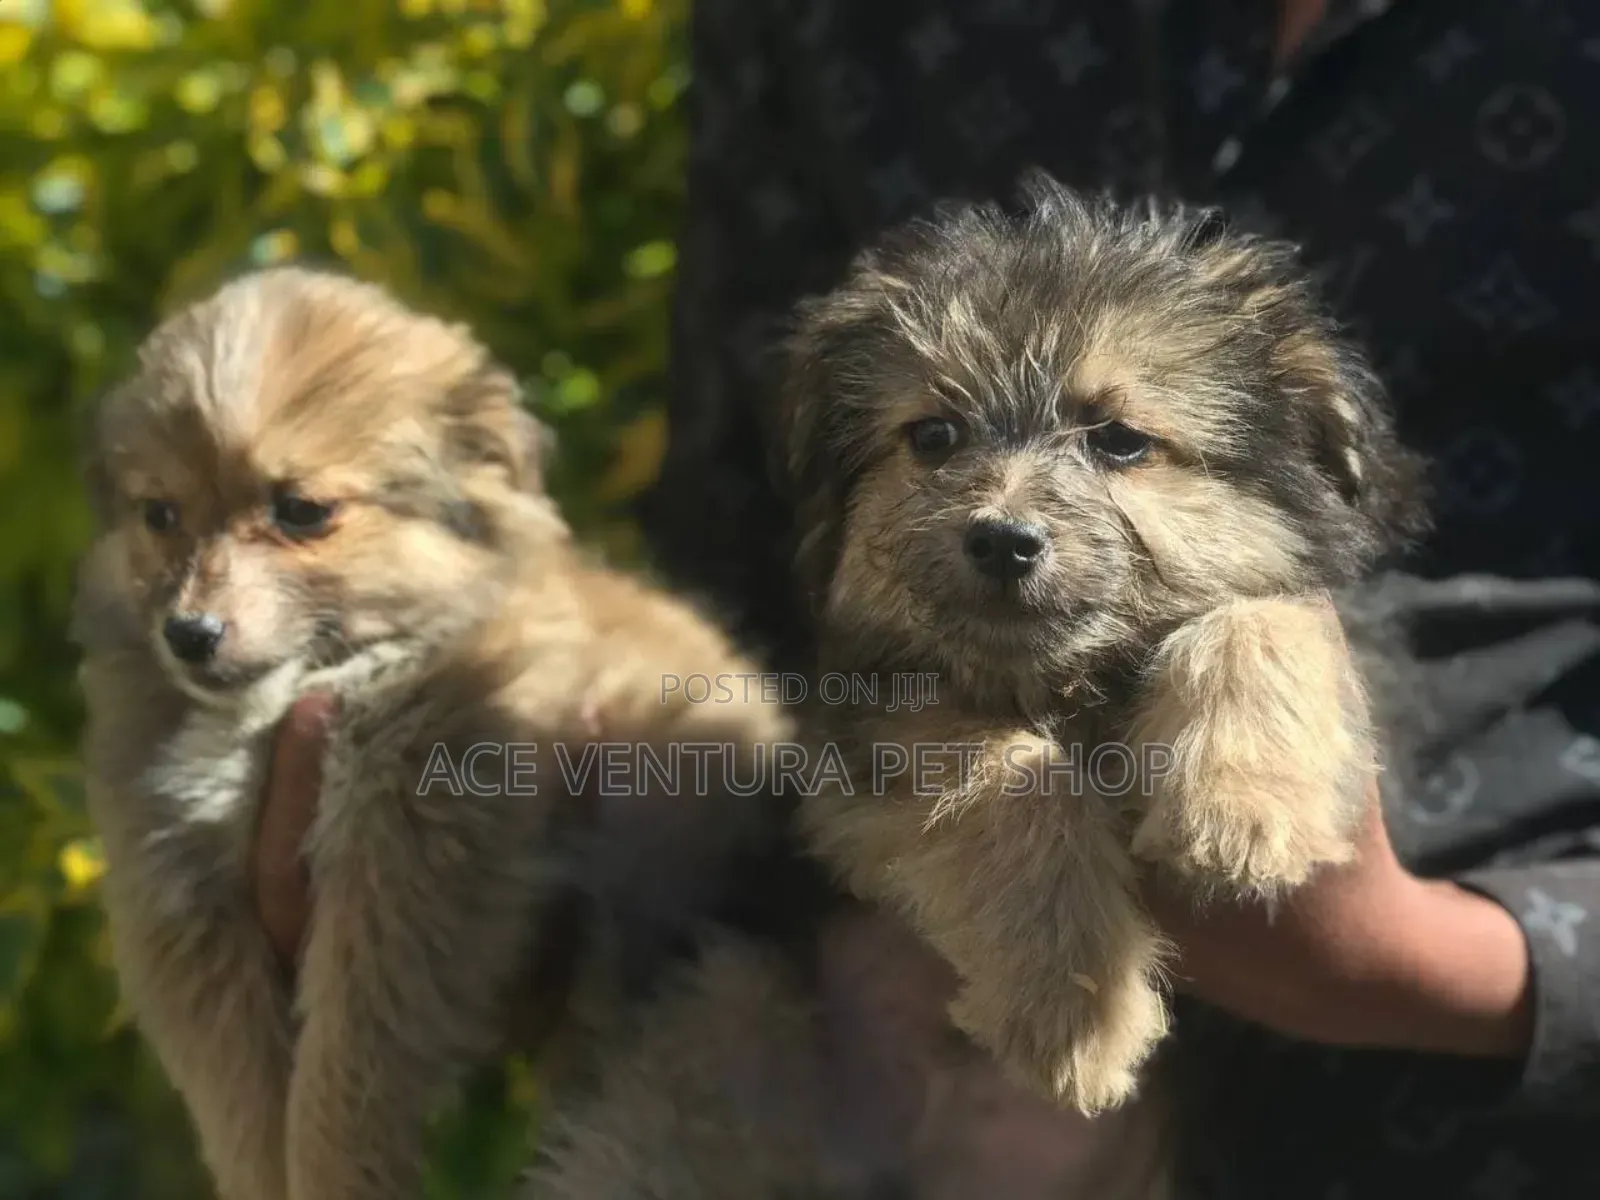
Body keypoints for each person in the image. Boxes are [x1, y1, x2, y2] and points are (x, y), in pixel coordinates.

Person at [259, 0, 1600, 1194]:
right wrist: (544, 898)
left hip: (1430, 1129)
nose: (1004, 507)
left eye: (1118, 442)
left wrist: (1431, 962)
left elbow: (1294, 607)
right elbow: (739, 595)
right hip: (810, 1040)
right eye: (938, 439)